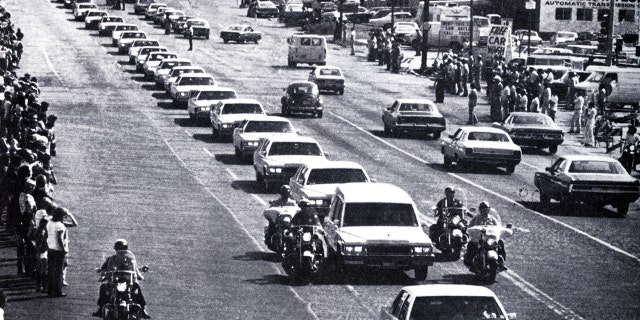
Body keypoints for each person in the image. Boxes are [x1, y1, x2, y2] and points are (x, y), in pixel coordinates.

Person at [93, 239, 150, 318]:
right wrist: (104, 275)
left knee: (137, 287)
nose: (121, 250)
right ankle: (100, 309)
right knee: (104, 287)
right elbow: (107, 269)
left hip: (128, 281)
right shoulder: (112, 259)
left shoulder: (130, 258)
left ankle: (143, 309)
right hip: (116, 281)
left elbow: (135, 269)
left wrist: (138, 276)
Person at [463, 202, 505, 270]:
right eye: (483, 209)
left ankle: (501, 261)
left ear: (488, 210)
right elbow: (470, 225)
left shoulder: (492, 218)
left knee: (500, 242)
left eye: (486, 209)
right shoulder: (477, 218)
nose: (484, 211)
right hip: (479, 237)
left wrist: (500, 229)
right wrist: (468, 228)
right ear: (480, 210)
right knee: (471, 244)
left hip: (490, 238)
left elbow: (498, 226)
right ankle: (470, 261)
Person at [46, 207, 68, 297]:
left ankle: (49, 289)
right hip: (58, 250)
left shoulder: (49, 223)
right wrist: (63, 249)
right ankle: (58, 291)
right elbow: (59, 238)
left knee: (50, 270)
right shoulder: (60, 225)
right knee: (58, 271)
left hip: (50, 248)